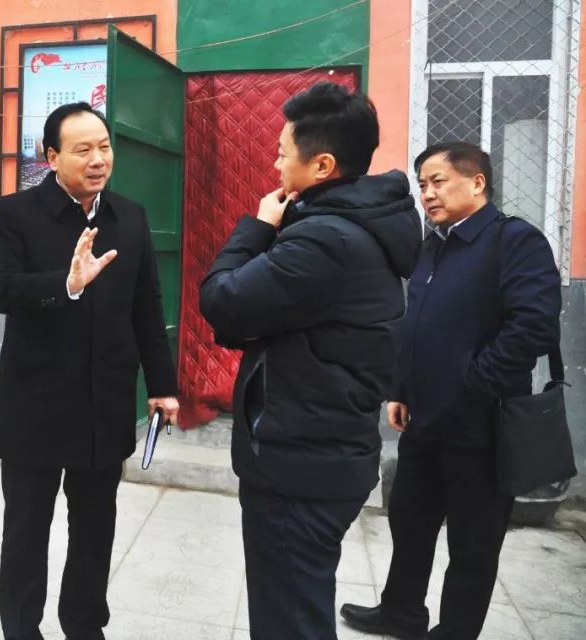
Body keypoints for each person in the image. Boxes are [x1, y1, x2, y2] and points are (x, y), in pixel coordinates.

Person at [198, 82, 421, 639]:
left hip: (300, 466)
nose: (275, 164)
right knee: (298, 606)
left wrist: (256, 228)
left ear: (321, 165)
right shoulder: (351, 229)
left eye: (282, 153)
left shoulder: (323, 241)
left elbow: (221, 301)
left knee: (289, 619)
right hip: (321, 453)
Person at [341, 142, 562, 640]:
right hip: (424, 420)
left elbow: (534, 325)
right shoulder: (434, 244)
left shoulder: (514, 241)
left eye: (438, 181)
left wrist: (474, 381)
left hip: (481, 425)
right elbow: (416, 322)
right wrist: (401, 387)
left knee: (473, 543)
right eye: (422, 184)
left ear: (477, 182)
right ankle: (401, 612)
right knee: (409, 522)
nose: (427, 193)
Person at [0, 102, 179, 640]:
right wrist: (66, 285)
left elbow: (146, 306)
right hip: (36, 404)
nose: (98, 160)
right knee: (26, 531)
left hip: (103, 403)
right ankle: (22, 629)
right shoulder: (14, 214)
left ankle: (85, 625)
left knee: (95, 528)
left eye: (105, 147)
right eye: (83, 150)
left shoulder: (129, 217)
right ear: (52, 157)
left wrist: (162, 386)